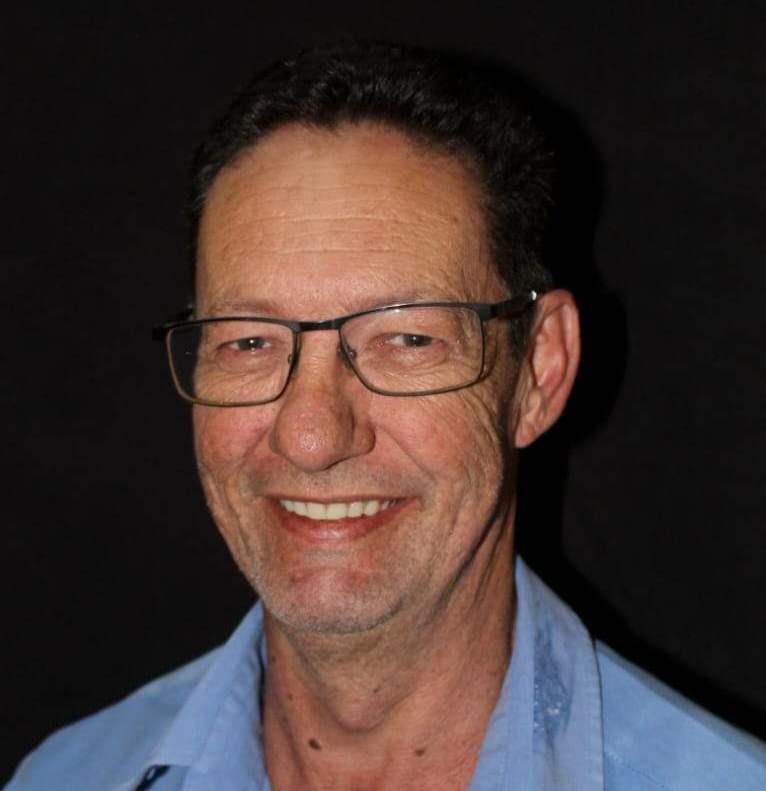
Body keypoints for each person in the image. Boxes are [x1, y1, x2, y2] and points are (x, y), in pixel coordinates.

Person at [6, 39, 765, 791]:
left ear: (538, 371)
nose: (310, 436)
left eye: (406, 339)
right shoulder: (64, 778)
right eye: (248, 341)